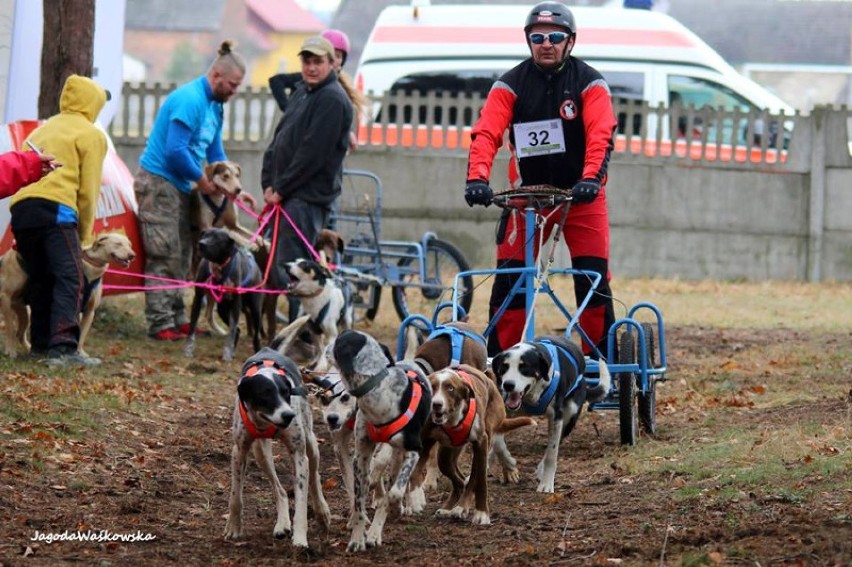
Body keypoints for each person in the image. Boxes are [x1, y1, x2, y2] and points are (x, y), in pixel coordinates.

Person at [464, 1, 618, 358]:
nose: (545, 43)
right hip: (527, 200)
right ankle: (501, 364)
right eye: (537, 37)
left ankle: (600, 367)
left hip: (581, 198)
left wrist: (591, 178)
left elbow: (601, 133)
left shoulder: (589, 83)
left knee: (592, 282)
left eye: (554, 37)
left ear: (570, 42)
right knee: (511, 282)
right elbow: (486, 133)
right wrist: (477, 178)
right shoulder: (510, 84)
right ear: (528, 41)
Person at [134, 40, 246, 341]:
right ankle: (160, 323)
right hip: (159, 183)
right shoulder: (190, 100)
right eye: (233, 85)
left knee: (185, 254)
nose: (235, 91)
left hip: (182, 185)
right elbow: (175, 150)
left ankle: (179, 317)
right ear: (217, 76)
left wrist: (231, 187)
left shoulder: (215, 106)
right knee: (164, 253)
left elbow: (214, 148)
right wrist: (201, 179)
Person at [9, 74, 109, 367]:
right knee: (70, 275)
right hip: (57, 210)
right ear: (94, 104)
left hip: (22, 210)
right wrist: (85, 234)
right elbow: (89, 188)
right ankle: (64, 347)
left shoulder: (43, 129)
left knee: (41, 277)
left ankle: (40, 345)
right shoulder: (91, 134)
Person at [261, 36, 353, 322]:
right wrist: (268, 181)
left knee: (294, 270)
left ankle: (301, 333)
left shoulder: (333, 100)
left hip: (305, 198)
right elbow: (280, 138)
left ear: (331, 64)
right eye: (307, 61)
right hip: (285, 194)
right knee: (278, 266)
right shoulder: (303, 91)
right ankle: (291, 330)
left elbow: (311, 154)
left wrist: (282, 188)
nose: (311, 68)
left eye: (318, 62)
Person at [268, 28, 367, 150]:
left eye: (338, 56)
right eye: (330, 55)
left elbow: (338, 119)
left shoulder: (336, 94)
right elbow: (276, 80)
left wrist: (347, 132)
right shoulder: (305, 81)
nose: (334, 60)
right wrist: (288, 109)